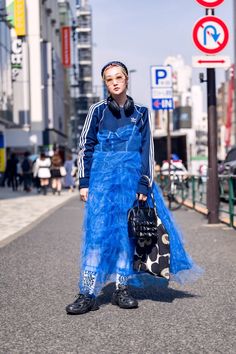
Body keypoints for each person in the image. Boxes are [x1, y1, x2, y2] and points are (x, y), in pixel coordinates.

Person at [66, 61, 203, 315]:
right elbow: (86, 146)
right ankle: (87, 293)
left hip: (131, 182)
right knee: (97, 236)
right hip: (103, 182)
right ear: (105, 83)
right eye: (109, 79)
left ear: (127, 79)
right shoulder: (97, 111)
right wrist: (84, 182)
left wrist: (144, 182)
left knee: (126, 236)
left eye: (119, 77)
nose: (115, 82)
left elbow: (146, 151)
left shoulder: (141, 112)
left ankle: (121, 289)